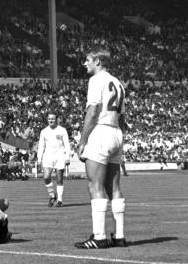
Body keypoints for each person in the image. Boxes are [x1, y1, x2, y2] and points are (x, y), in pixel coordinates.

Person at [74, 47, 129, 249]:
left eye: (87, 60)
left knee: (94, 185)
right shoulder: (118, 83)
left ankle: (99, 237)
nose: (84, 63)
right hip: (116, 132)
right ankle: (120, 236)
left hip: (101, 131)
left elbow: (93, 111)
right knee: (114, 187)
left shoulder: (96, 80)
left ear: (97, 61)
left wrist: (82, 140)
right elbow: (122, 116)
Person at [37, 113, 71, 207]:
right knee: (46, 177)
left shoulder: (62, 130)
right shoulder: (44, 131)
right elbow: (41, 146)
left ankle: (60, 200)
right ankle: (52, 196)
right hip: (48, 156)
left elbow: (67, 144)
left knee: (59, 179)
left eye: (52, 119)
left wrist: (67, 157)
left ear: (56, 119)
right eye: (49, 119)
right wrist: (39, 159)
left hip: (60, 156)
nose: (51, 120)